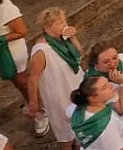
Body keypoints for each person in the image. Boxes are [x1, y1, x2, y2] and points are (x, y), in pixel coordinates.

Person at [27, 7, 83, 143]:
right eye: (59, 23)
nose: (64, 25)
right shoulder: (41, 51)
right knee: (66, 132)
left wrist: (73, 37)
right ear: (47, 27)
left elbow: (79, 52)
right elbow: (33, 78)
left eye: (64, 21)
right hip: (60, 94)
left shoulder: (64, 39)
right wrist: (34, 102)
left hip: (75, 85)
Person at [68, 74, 123, 149]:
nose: (111, 86)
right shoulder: (108, 126)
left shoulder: (76, 109)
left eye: (108, 82)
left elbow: (67, 114)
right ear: (94, 98)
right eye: (105, 87)